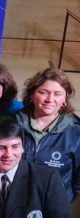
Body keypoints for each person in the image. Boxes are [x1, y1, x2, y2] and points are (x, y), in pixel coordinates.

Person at [16, 66, 80, 201]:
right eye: (43, 92)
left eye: (57, 94)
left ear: (65, 99)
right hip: (16, 201)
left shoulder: (76, 132)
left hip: (55, 205)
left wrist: (65, 200)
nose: (50, 99)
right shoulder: (14, 124)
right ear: (32, 95)